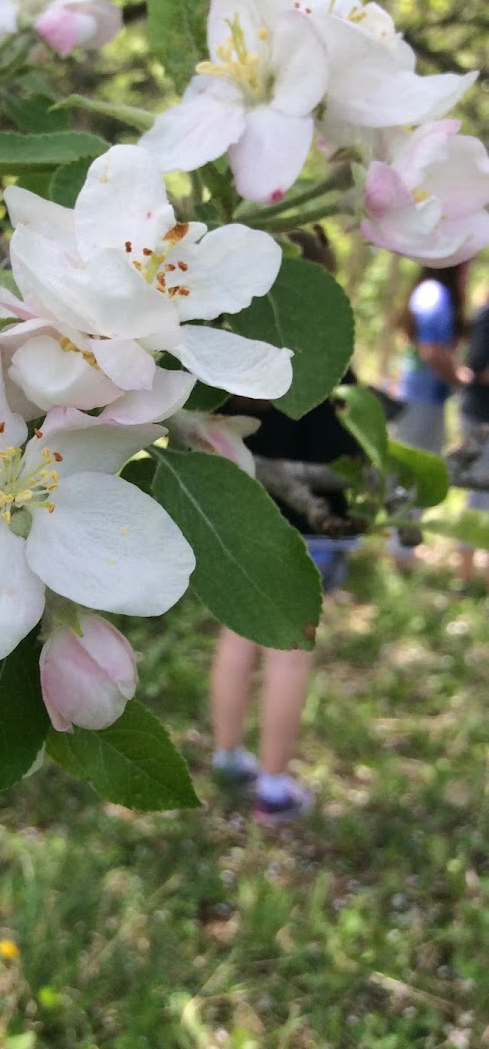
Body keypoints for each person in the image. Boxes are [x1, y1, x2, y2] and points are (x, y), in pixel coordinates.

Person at [209, 228, 361, 824]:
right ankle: (271, 785)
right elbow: (341, 444)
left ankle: (227, 757)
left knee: (238, 635)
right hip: (308, 533)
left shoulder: (226, 353)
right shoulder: (321, 354)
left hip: (245, 523)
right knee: (290, 653)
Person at [391, 264, 471, 566]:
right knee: (416, 473)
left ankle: (403, 546)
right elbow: (432, 351)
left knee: (417, 469)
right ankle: (401, 550)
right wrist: (459, 378)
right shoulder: (434, 294)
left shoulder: (430, 292)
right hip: (420, 398)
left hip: (423, 398)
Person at [458, 295, 489, 589]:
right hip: (481, 418)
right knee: (478, 496)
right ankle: (466, 577)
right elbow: (477, 369)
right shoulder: (486, 315)